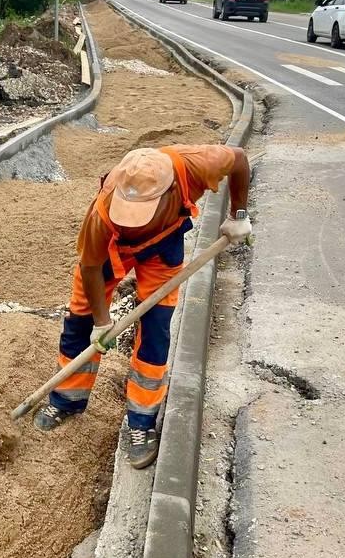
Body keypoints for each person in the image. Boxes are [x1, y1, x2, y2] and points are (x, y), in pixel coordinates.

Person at [34, 144, 252, 468]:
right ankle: (67, 399)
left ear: (170, 193)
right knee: (79, 322)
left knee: (156, 332)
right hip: (110, 252)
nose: (133, 222)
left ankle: (141, 421)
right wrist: (101, 322)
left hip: (162, 250)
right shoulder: (102, 213)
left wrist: (239, 214)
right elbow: (91, 268)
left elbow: (239, 159)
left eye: (140, 214)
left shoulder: (195, 167)